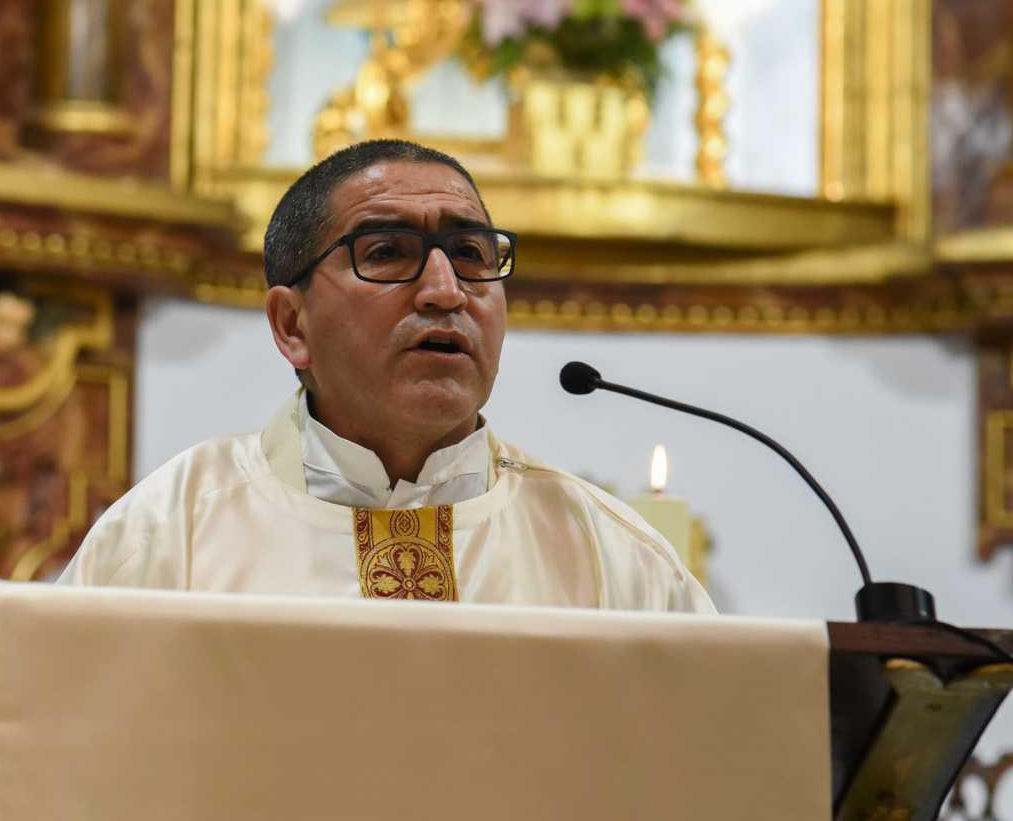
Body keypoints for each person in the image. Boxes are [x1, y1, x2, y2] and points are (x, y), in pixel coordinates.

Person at [59, 140, 712, 612]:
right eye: (386, 252)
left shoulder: (616, 559)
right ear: (292, 325)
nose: (444, 290)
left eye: (469, 253)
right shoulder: (171, 534)